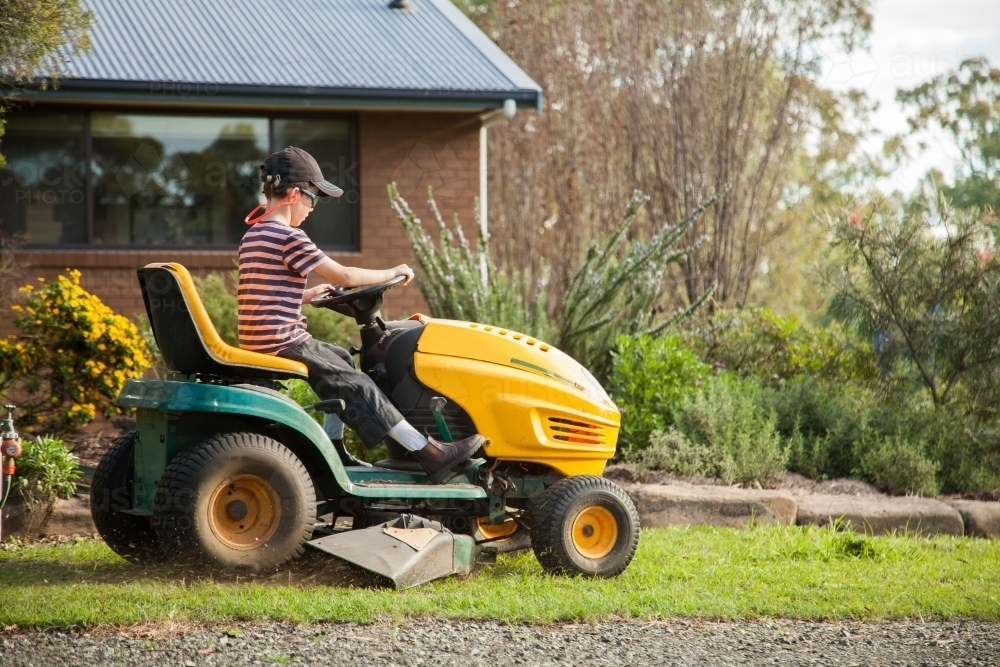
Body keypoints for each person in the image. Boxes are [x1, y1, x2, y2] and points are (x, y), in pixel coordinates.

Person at [237, 146, 483, 483]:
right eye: (313, 197)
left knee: (339, 356)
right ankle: (430, 452)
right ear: (294, 194)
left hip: (262, 338)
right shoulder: (289, 237)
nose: (312, 207)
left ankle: (334, 445)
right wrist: (392, 271)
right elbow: (346, 277)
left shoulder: (253, 235)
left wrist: (307, 295)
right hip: (283, 341)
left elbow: (262, 292)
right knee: (357, 383)